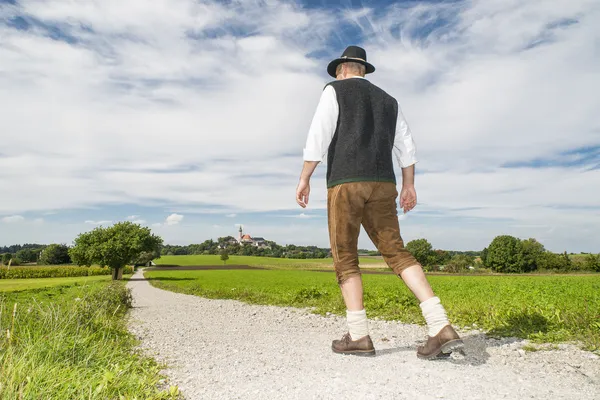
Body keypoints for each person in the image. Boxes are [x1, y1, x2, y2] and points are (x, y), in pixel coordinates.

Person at [296, 45, 463, 359]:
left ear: (342, 69)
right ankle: (440, 325)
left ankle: (359, 336)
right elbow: (407, 146)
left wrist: (305, 177)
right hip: (385, 183)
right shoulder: (389, 101)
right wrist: (409, 185)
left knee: (345, 256)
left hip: (345, 183)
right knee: (396, 252)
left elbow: (318, 135)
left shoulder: (334, 91)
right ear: (363, 69)